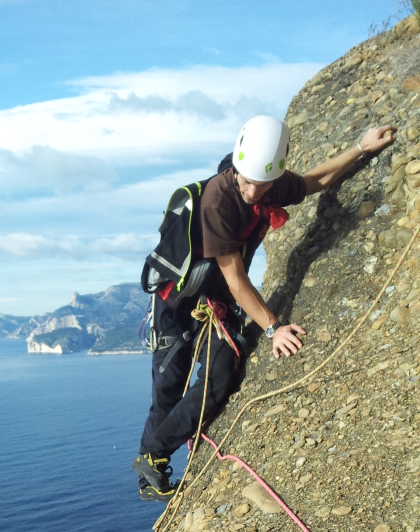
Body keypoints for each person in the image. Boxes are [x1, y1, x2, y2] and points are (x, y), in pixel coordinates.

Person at [133, 114, 396, 501]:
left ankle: (152, 455)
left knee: (220, 375)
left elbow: (314, 181)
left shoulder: (269, 183)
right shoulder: (217, 202)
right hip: (177, 299)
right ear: (237, 167)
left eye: (263, 184)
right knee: (169, 386)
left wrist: (361, 147)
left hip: (215, 296)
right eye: (249, 181)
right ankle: (149, 469)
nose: (255, 192)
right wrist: (274, 328)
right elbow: (237, 279)